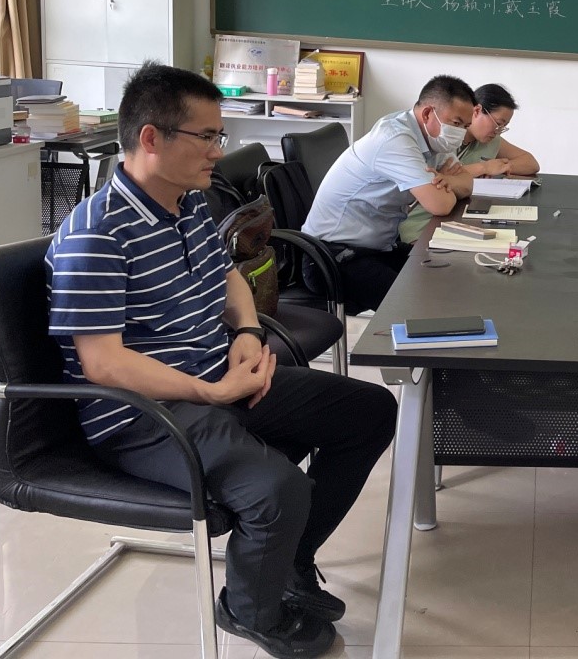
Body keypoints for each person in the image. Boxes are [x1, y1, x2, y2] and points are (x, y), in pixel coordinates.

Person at [47, 63, 396, 659]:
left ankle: (287, 562)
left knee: (368, 411)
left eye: (219, 135)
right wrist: (209, 392)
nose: (218, 150)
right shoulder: (96, 234)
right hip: (143, 413)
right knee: (278, 491)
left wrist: (248, 332)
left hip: (216, 379)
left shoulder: (187, 204)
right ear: (151, 138)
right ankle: (251, 610)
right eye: (206, 136)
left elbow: (230, 276)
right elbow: (103, 365)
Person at [303, 74, 475, 312]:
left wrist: (448, 181)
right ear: (428, 113)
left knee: (449, 276)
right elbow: (440, 205)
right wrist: (446, 183)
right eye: (456, 123)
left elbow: (467, 183)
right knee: (421, 308)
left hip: (377, 248)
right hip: (332, 257)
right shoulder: (396, 139)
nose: (461, 133)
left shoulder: (433, 139)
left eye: (465, 126)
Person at [399, 82, 540, 245]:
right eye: (498, 123)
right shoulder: (444, 137)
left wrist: (502, 167)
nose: (498, 131)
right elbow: (436, 179)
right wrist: (484, 167)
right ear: (477, 111)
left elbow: (531, 163)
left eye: (503, 127)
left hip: (457, 213)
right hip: (424, 219)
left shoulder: (490, 141)